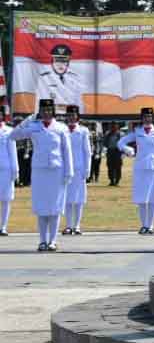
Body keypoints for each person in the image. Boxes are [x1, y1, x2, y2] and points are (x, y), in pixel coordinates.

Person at [14, 99, 73, 251]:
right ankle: (42, 240)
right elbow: (13, 136)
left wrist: (69, 171)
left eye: (49, 110)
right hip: (40, 171)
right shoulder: (34, 127)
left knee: (55, 207)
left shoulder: (61, 128)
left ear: (53, 111)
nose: (46, 113)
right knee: (41, 207)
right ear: (39, 112)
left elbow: (67, 151)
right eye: (43, 110)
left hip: (56, 171)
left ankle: (52, 240)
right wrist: (29, 119)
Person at [118, 108, 154, 235]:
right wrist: (127, 150)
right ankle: (143, 225)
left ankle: (150, 225)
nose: (147, 118)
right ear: (141, 118)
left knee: (153, 199)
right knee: (141, 199)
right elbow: (121, 142)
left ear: (152, 117)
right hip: (140, 167)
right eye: (145, 116)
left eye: (149, 116)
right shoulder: (137, 131)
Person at [62, 105, 91, 236]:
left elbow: (87, 151)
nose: (72, 117)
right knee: (67, 198)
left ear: (77, 116)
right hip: (65, 168)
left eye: (74, 115)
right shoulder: (62, 130)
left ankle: (77, 225)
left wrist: (87, 168)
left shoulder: (83, 131)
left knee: (79, 198)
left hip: (79, 168)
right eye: (69, 115)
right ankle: (68, 225)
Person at [36, 44, 87, 110]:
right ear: (52, 62)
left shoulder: (75, 78)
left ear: (68, 62)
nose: (60, 65)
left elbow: (79, 104)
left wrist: (80, 118)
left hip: (71, 117)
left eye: (63, 61)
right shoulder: (44, 78)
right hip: (51, 116)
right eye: (57, 61)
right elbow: (40, 103)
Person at [0, 107, 16, 236]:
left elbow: (13, 153)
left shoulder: (9, 131)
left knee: (6, 199)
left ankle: (3, 226)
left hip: (5, 168)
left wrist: (15, 170)